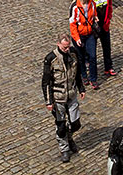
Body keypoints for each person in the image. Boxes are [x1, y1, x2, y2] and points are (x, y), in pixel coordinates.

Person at [42, 35, 86, 163]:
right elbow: (46, 82)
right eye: (64, 47)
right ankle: (64, 149)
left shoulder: (73, 54)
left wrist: (81, 88)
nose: (67, 49)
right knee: (61, 126)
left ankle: (69, 136)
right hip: (58, 97)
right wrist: (49, 101)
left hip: (71, 94)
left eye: (68, 47)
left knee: (76, 123)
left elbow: (77, 73)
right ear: (58, 44)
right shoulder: (51, 59)